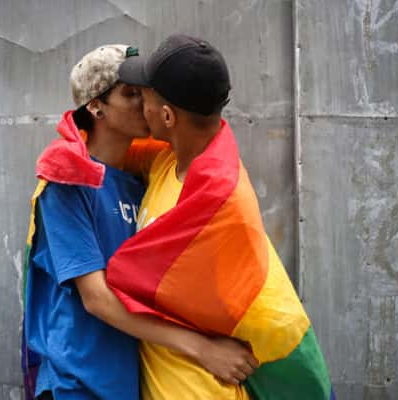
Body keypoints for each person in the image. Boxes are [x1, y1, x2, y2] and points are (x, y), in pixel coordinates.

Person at [22, 44, 258, 400]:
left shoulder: (144, 182)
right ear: (96, 107)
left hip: (127, 384)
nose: (144, 103)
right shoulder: (68, 184)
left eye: (145, 93)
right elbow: (97, 299)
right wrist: (202, 348)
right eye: (130, 94)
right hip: (76, 384)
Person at [107, 34, 334, 399]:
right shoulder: (165, 162)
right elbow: (102, 149)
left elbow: (262, 309)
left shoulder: (221, 208)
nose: (139, 107)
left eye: (143, 97)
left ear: (166, 116)